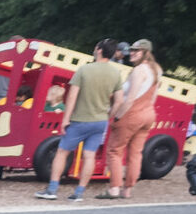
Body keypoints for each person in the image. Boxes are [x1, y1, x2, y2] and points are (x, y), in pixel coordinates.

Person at [34, 41, 128, 203]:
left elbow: (72, 96)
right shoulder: (115, 73)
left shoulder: (84, 69)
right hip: (100, 121)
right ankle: (79, 193)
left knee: (62, 152)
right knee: (89, 156)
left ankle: (52, 189)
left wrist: (65, 119)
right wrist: (109, 116)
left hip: (80, 120)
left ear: (98, 50)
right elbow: (119, 101)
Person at [101, 39, 162, 201]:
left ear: (145, 53)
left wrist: (118, 116)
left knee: (115, 151)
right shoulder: (156, 70)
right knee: (135, 154)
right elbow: (153, 97)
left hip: (132, 113)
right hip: (148, 113)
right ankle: (127, 190)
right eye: (132, 50)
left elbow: (129, 98)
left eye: (136, 50)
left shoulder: (138, 71)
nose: (131, 53)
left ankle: (114, 188)